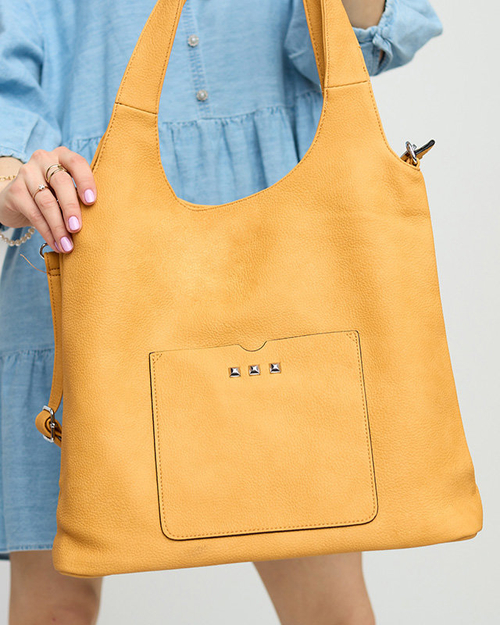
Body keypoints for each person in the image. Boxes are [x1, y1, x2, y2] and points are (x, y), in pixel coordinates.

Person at [0, 1, 443, 623]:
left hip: (287, 264)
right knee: (57, 605)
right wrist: (13, 174)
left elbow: (356, 40)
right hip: (96, 264)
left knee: (328, 602)